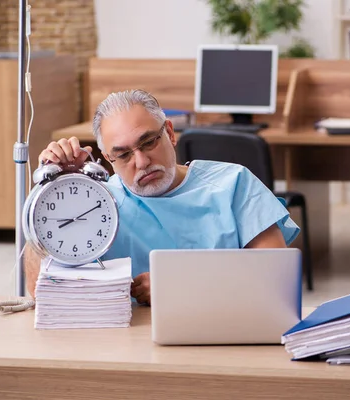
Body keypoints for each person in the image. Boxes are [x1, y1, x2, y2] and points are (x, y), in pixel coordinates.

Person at [24, 89, 300, 305]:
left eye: (148, 142)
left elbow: (278, 280)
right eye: (123, 154)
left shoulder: (233, 184)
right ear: (108, 160)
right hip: (130, 344)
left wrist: (181, 285)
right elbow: (41, 292)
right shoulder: (99, 204)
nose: (142, 162)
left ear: (169, 132)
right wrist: (51, 191)